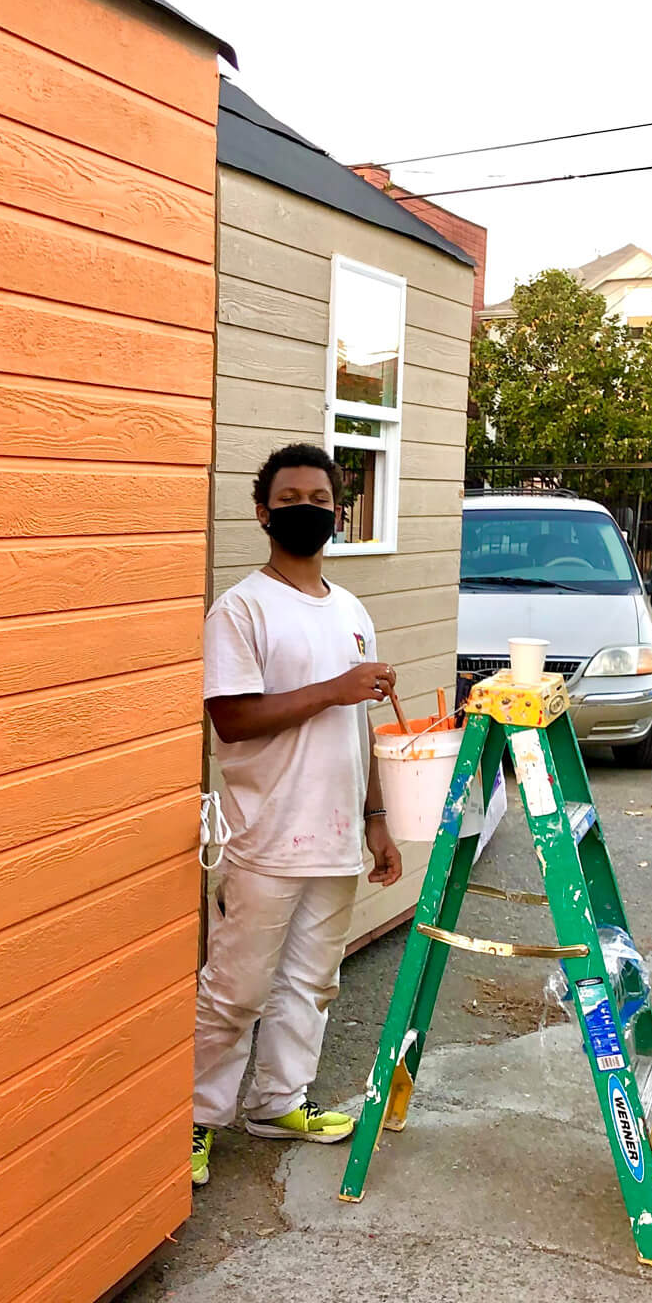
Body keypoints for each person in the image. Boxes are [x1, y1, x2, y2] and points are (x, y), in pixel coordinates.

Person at [191, 442, 403, 1187]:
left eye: (319, 497)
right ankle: (195, 1118)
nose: (306, 509)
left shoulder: (351, 611)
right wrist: (336, 687)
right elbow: (234, 720)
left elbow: (362, 725)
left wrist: (377, 816)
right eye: (290, 500)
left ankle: (279, 1102)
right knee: (238, 986)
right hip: (266, 832)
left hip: (338, 830)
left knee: (312, 981)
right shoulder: (242, 609)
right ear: (262, 513)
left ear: (338, 512)